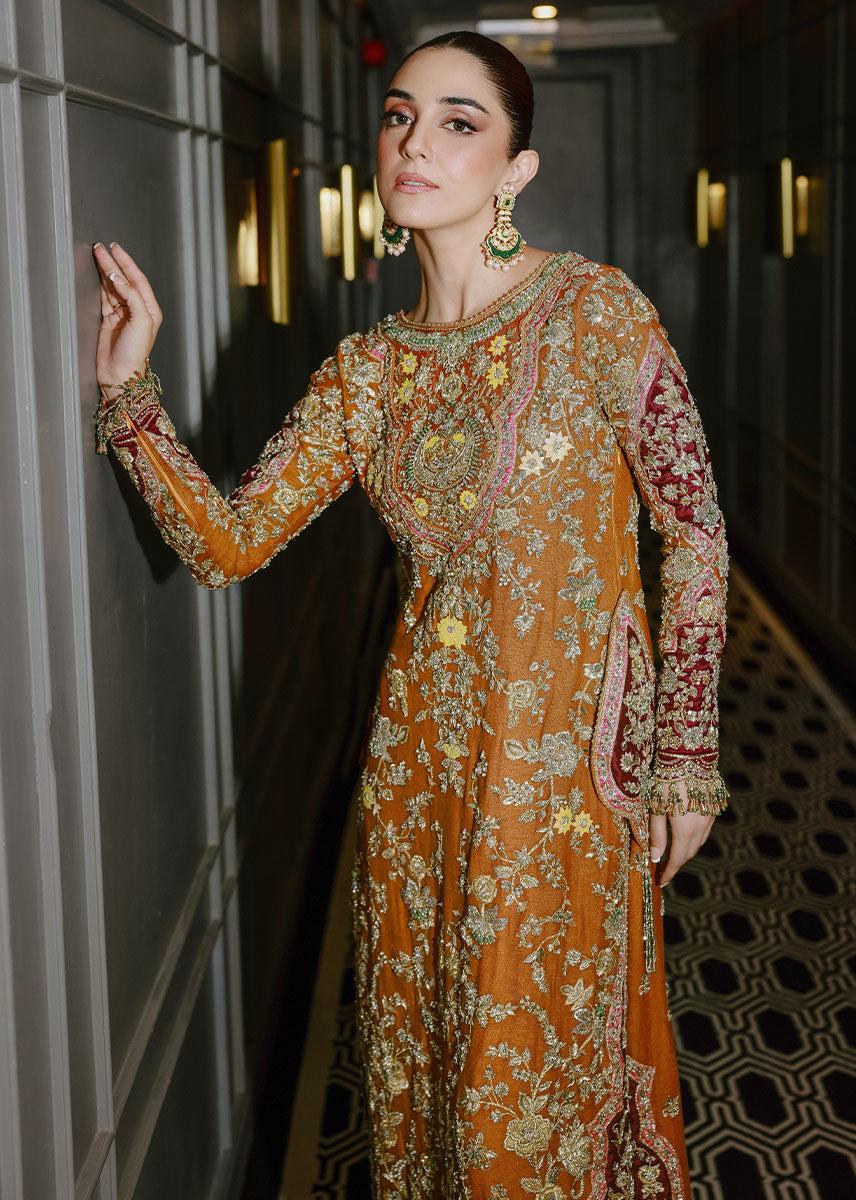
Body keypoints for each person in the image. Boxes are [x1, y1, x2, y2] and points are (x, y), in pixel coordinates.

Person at [92, 29, 729, 1200]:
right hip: (411, 781)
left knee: (527, 1095)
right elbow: (228, 544)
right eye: (398, 117)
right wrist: (128, 391)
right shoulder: (368, 372)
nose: (415, 143)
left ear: (516, 169)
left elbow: (692, 530)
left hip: (558, 787)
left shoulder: (594, 313)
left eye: (456, 122)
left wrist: (683, 755)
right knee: (427, 1084)